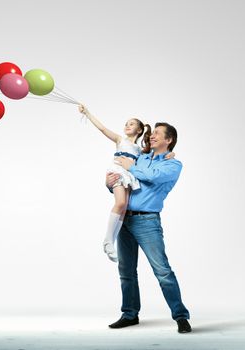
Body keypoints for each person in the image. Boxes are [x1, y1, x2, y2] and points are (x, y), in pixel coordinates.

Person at [106, 122, 192, 333]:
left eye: (157, 134)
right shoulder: (142, 158)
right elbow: (126, 178)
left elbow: (152, 177)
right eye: (152, 133)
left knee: (162, 271)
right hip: (125, 220)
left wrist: (131, 168)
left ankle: (181, 316)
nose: (151, 136)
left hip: (147, 222)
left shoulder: (173, 165)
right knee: (126, 271)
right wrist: (111, 183)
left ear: (168, 140)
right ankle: (129, 314)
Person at [78, 105, 173, 262]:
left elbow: (156, 155)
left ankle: (111, 243)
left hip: (129, 176)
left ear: (139, 130)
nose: (127, 126)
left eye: (131, 124)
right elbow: (102, 128)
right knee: (121, 203)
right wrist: (87, 113)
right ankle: (108, 240)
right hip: (118, 171)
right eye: (126, 123)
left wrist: (170, 154)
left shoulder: (141, 150)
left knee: (123, 208)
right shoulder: (120, 140)